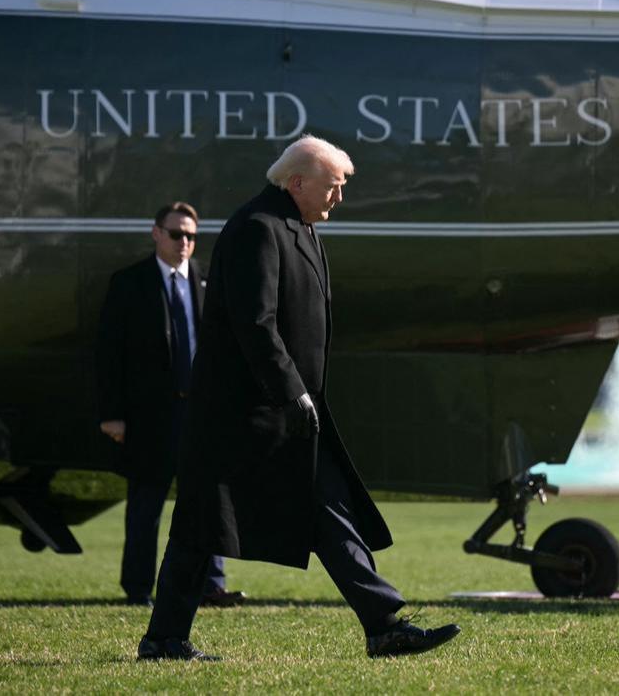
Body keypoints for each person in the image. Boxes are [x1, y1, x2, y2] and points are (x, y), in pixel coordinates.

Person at [137, 137, 459, 661]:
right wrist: (291, 390)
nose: (339, 199)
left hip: (285, 411)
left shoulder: (298, 225)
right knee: (200, 524)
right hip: (242, 413)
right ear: (298, 182)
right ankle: (163, 638)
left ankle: (384, 625)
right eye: (334, 187)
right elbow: (255, 323)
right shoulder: (259, 228)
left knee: (329, 509)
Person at [97, 202, 246, 608]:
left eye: (192, 236)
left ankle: (211, 585)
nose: (185, 243)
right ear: (156, 233)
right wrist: (112, 413)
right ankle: (138, 589)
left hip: (200, 416)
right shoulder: (129, 283)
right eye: (177, 234)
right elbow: (110, 355)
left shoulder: (206, 282)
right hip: (150, 418)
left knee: (209, 505)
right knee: (146, 508)